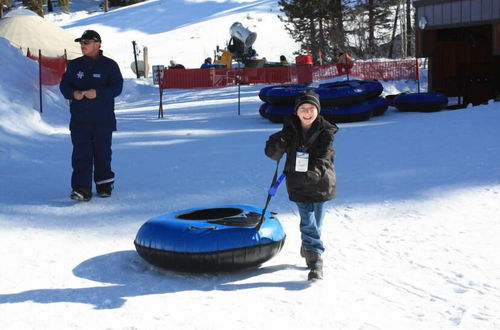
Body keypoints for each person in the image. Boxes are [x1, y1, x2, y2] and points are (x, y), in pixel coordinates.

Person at [264, 90, 338, 281]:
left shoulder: (326, 131)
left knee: (317, 223)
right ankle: (315, 259)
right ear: (296, 111)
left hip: (321, 182)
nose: (307, 113)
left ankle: (308, 246)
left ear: (317, 111)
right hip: (298, 182)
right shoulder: (289, 129)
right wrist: (278, 145)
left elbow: (325, 156)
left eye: (311, 109)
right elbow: (272, 154)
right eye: (303, 109)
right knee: (308, 220)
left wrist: (314, 172)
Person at [59, 30, 123, 201]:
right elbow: (64, 86)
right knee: (81, 154)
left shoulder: (109, 65)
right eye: (81, 43)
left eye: (86, 42)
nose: (82, 46)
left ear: (97, 44)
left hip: (103, 119)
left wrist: (99, 93)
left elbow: (117, 87)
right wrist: (74, 93)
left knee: (102, 153)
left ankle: (104, 185)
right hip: (80, 119)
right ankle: (81, 189)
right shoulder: (74, 65)